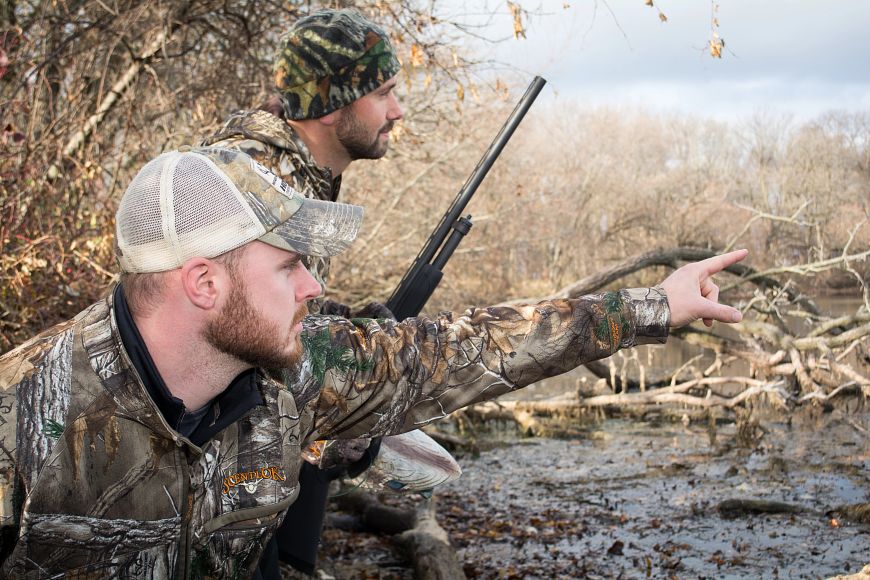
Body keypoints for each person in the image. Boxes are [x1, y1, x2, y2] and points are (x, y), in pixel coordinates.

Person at [0, 145, 747, 578]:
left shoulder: (303, 373)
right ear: (204, 283)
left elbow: (468, 347)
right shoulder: (21, 418)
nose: (315, 287)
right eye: (290, 264)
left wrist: (653, 308)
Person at [201, 9, 406, 575]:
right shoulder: (263, 178)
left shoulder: (298, 171)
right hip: (214, 489)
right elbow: (226, 339)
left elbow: (269, 309)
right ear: (335, 105)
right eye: (384, 93)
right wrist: (343, 408)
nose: (398, 110)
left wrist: (338, 319)